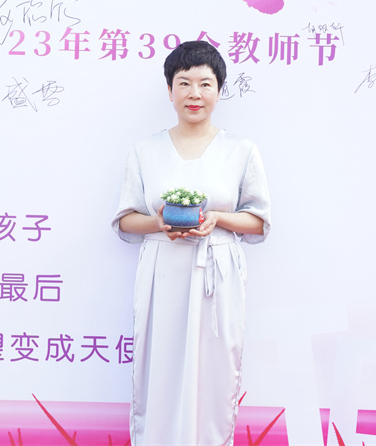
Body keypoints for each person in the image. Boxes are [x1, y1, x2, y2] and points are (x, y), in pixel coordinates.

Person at [111, 41, 271, 446]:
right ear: (169, 91)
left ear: (219, 90)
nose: (194, 93)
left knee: (215, 374)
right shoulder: (145, 150)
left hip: (217, 273)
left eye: (205, 83)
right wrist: (158, 222)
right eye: (184, 83)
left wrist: (217, 218)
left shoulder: (241, 150)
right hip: (162, 270)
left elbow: (258, 221)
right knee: (159, 369)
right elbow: (126, 220)